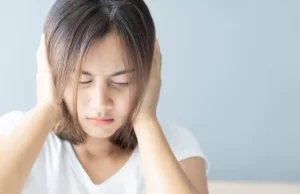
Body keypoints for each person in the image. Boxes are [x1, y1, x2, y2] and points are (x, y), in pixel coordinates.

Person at [0, 0, 209, 193]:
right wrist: (47, 109)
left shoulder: (176, 146)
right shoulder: (13, 132)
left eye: (121, 82)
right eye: (83, 81)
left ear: (147, 76)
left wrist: (145, 120)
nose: (100, 103)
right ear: (52, 72)